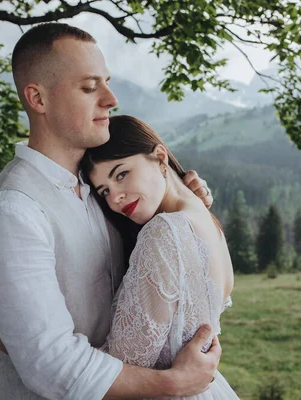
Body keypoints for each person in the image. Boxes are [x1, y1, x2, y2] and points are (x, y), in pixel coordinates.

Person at [0, 23, 221, 399]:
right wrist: (172, 383)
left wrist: (183, 200)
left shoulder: (103, 190)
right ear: (38, 99)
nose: (111, 99)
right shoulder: (12, 212)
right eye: (89, 87)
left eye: (107, 82)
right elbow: (51, 364)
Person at [81, 115, 238, 399]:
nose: (115, 197)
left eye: (121, 174)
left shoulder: (165, 231)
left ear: (160, 157)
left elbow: (126, 361)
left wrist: (47, 351)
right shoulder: (206, 220)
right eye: (104, 190)